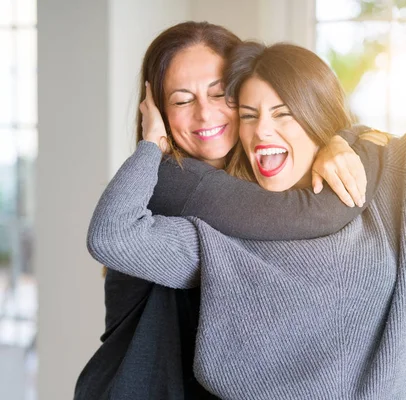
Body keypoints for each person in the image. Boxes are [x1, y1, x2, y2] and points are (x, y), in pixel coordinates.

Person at [87, 0, 406, 397]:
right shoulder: (214, 234)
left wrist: (349, 140)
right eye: (248, 114)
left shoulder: (391, 183)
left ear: (317, 116)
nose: (262, 130)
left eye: (283, 113)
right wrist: (151, 146)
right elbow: (113, 236)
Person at [75, 21, 385, 400]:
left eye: (221, 94)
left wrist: (342, 139)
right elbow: (319, 213)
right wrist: (353, 144)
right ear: (156, 111)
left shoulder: (253, 177)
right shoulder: (175, 180)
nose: (205, 115)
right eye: (182, 100)